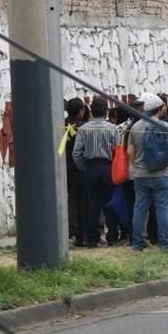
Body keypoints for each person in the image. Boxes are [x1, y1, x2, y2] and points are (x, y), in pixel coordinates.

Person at [128, 93, 168, 251]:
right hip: (161, 173)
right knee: (162, 208)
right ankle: (165, 242)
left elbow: (130, 151)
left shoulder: (135, 127)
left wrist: (136, 165)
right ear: (160, 109)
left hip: (141, 174)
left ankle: (138, 243)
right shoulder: (164, 126)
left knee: (140, 208)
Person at [72, 97, 120, 247]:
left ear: (91, 111)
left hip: (91, 167)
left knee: (93, 204)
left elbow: (76, 153)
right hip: (108, 166)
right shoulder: (113, 128)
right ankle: (112, 236)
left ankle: (92, 237)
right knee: (109, 203)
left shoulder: (84, 129)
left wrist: (84, 167)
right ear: (106, 112)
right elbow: (117, 150)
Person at [65, 98, 88, 246]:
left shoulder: (62, 123)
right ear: (81, 110)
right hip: (79, 168)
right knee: (82, 203)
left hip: (63, 168)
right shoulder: (83, 127)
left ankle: (69, 231)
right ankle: (80, 235)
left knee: (69, 200)